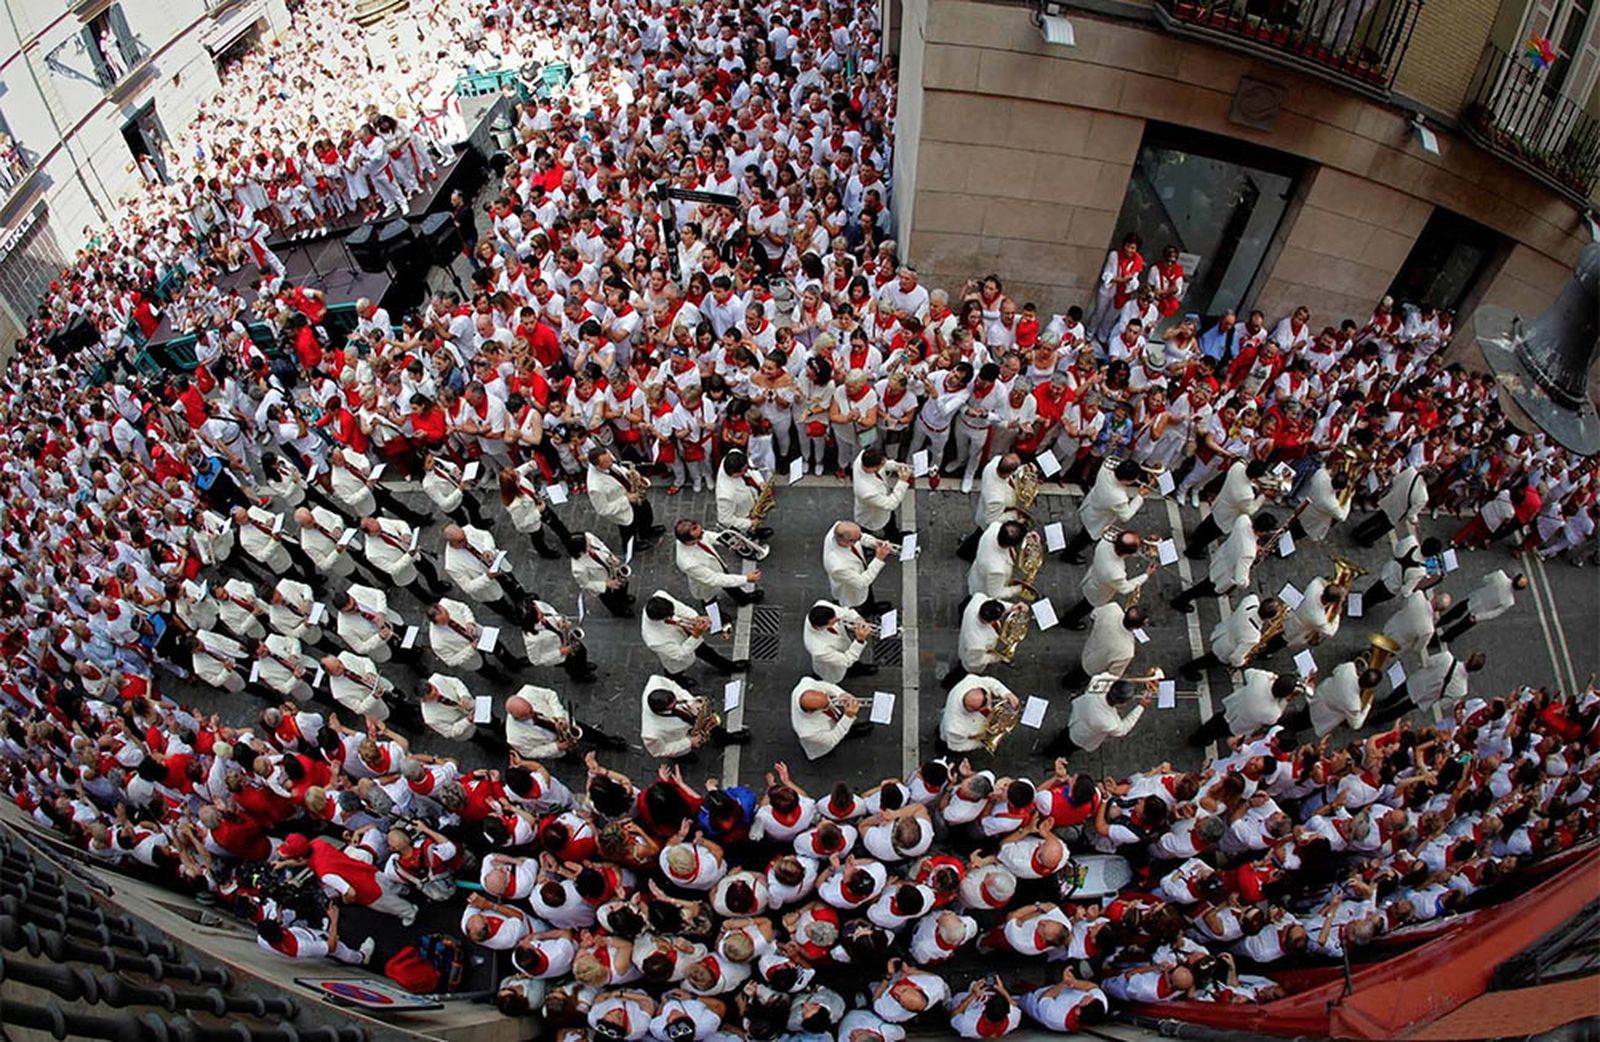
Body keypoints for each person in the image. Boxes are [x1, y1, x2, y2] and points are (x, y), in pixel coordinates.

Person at [1171, 513, 1276, 614]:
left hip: (1221, 558)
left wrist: (1255, 547)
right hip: (1223, 575)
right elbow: (1241, 581)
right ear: (1263, 531)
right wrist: (1247, 580)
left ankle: (1182, 599)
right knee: (1202, 590)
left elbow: (1244, 539)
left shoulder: (1243, 520)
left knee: (1203, 586)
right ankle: (1180, 601)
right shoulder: (1249, 553)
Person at [1060, 529, 1155, 629]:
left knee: (1085, 604)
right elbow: (1125, 588)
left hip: (1093, 577)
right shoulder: (1116, 573)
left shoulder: (1104, 543)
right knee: (1085, 607)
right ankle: (1068, 620)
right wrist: (1146, 575)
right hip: (1098, 592)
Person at [641, 675, 751, 760]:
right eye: (674, 705)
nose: (679, 703)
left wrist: (691, 702)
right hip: (681, 738)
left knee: (712, 725)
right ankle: (684, 757)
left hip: (690, 719)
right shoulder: (651, 734)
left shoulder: (655, 682)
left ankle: (726, 738)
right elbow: (660, 751)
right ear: (663, 709)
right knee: (683, 756)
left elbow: (674, 687)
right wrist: (689, 742)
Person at [1059, 459, 1147, 563]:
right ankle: (1068, 554)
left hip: (1091, 504)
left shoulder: (1107, 465)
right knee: (1084, 539)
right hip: (1097, 520)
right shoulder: (1118, 497)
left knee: (1084, 533)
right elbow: (1126, 516)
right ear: (1127, 480)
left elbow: (1115, 461)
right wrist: (1140, 496)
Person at [1044, 674, 1154, 756]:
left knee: (1063, 736)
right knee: (1066, 747)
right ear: (1122, 703)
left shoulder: (1096, 685)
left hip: (1076, 718)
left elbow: (1106, 677)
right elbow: (1124, 728)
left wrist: (1126, 682)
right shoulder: (1109, 722)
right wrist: (1141, 706)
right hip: (1079, 737)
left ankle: (1050, 750)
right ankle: (1051, 754)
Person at [1189, 671, 1299, 746]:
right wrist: (1287, 700)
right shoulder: (1272, 712)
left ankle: (1199, 737)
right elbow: (1274, 718)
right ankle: (1198, 740)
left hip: (1232, 708)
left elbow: (1248, 672)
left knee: (1214, 722)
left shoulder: (1260, 679)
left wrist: (1270, 676)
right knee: (1218, 732)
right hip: (1237, 724)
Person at [674, 519, 763, 606]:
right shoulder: (689, 563)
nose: (703, 534)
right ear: (688, 541)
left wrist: (727, 541)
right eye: (699, 536)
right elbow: (715, 579)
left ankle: (743, 599)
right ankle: (717, 616)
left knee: (729, 583)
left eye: (701, 531)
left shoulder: (693, 534)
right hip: (707, 583)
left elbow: (707, 536)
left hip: (717, 567)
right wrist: (746, 579)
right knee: (709, 600)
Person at [587, 446, 661, 550]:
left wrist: (630, 474)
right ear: (598, 466)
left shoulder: (608, 459)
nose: (612, 462)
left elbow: (618, 468)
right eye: (607, 462)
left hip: (634, 493)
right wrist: (627, 499)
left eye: (610, 458)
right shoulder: (595, 486)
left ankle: (646, 532)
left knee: (646, 515)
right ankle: (631, 547)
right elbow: (603, 510)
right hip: (623, 509)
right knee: (629, 531)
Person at [1062, 603, 1147, 687]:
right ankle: (1068, 684)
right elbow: (1114, 674)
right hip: (1094, 666)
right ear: (1137, 627)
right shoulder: (1127, 651)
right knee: (1079, 676)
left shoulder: (1112, 608)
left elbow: (1094, 615)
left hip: (1090, 646)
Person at [1434, 570, 1526, 644]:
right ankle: (1445, 637)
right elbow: (1494, 613)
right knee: (1460, 627)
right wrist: (1478, 617)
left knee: (1455, 612)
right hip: (1481, 611)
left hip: (1475, 598)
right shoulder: (1509, 601)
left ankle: (1440, 622)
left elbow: (1485, 579)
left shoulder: (1500, 575)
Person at [823, 520, 895, 614]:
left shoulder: (838, 528)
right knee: (858, 601)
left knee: (867, 593)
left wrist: (875, 543)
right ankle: (864, 612)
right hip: (851, 589)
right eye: (857, 539)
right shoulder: (838, 566)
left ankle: (870, 607)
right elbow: (862, 582)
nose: (860, 538)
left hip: (859, 570)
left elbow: (862, 537)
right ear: (847, 542)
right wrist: (879, 559)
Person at [791, 677, 872, 760]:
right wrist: (848, 717)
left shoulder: (806, 684)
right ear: (812, 711)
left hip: (829, 721)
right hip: (822, 740)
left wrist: (841, 694)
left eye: (826, 696)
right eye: (825, 706)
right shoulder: (808, 732)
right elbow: (832, 739)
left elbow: (825, 686)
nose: (830, 702)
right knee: (836, 737)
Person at [1351, 464, 1428, 547]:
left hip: (1390, 500)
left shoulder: (1411, 471)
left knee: (1375, 519)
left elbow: (1395, 480)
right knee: (1381, 529)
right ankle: (1366, 540)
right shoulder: (1423, 496)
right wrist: (1415, 521)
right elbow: (1411, 514)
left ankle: (1358, 531)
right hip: (1398, 512)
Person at [939, 675, 1020, 754]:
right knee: (944, 746)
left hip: (974, 724)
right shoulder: (955, 728)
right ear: (973, 710)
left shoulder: (971, 680)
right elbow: (957, 746)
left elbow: (989, 682)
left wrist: (1006, 693)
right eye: (984, 707)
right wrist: (983, 742)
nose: (990, 705)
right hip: (954, 737)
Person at [803, 600, 877, 683]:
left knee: (852, 660)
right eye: (834, 622)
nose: (837, 620)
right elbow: (846, 660)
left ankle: (856, 668)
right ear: (820, 627)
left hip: (842, 647)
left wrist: (858, 620)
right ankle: (819, 680)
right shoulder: (818, 649)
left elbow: (844, 613)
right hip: (831, 664)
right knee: (830, 673)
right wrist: (860, 640)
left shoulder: (821, 605)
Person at [852, 447, 914, 540]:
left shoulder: (863, 457)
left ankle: (893, 536)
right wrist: (902, 481)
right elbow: (891, 504)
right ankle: (867, 547)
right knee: (867, 533)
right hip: (871, 516)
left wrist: (897, 466)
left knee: (890, 523)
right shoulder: (866, 491)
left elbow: (884, 464)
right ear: (875, 468)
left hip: (883, 506)